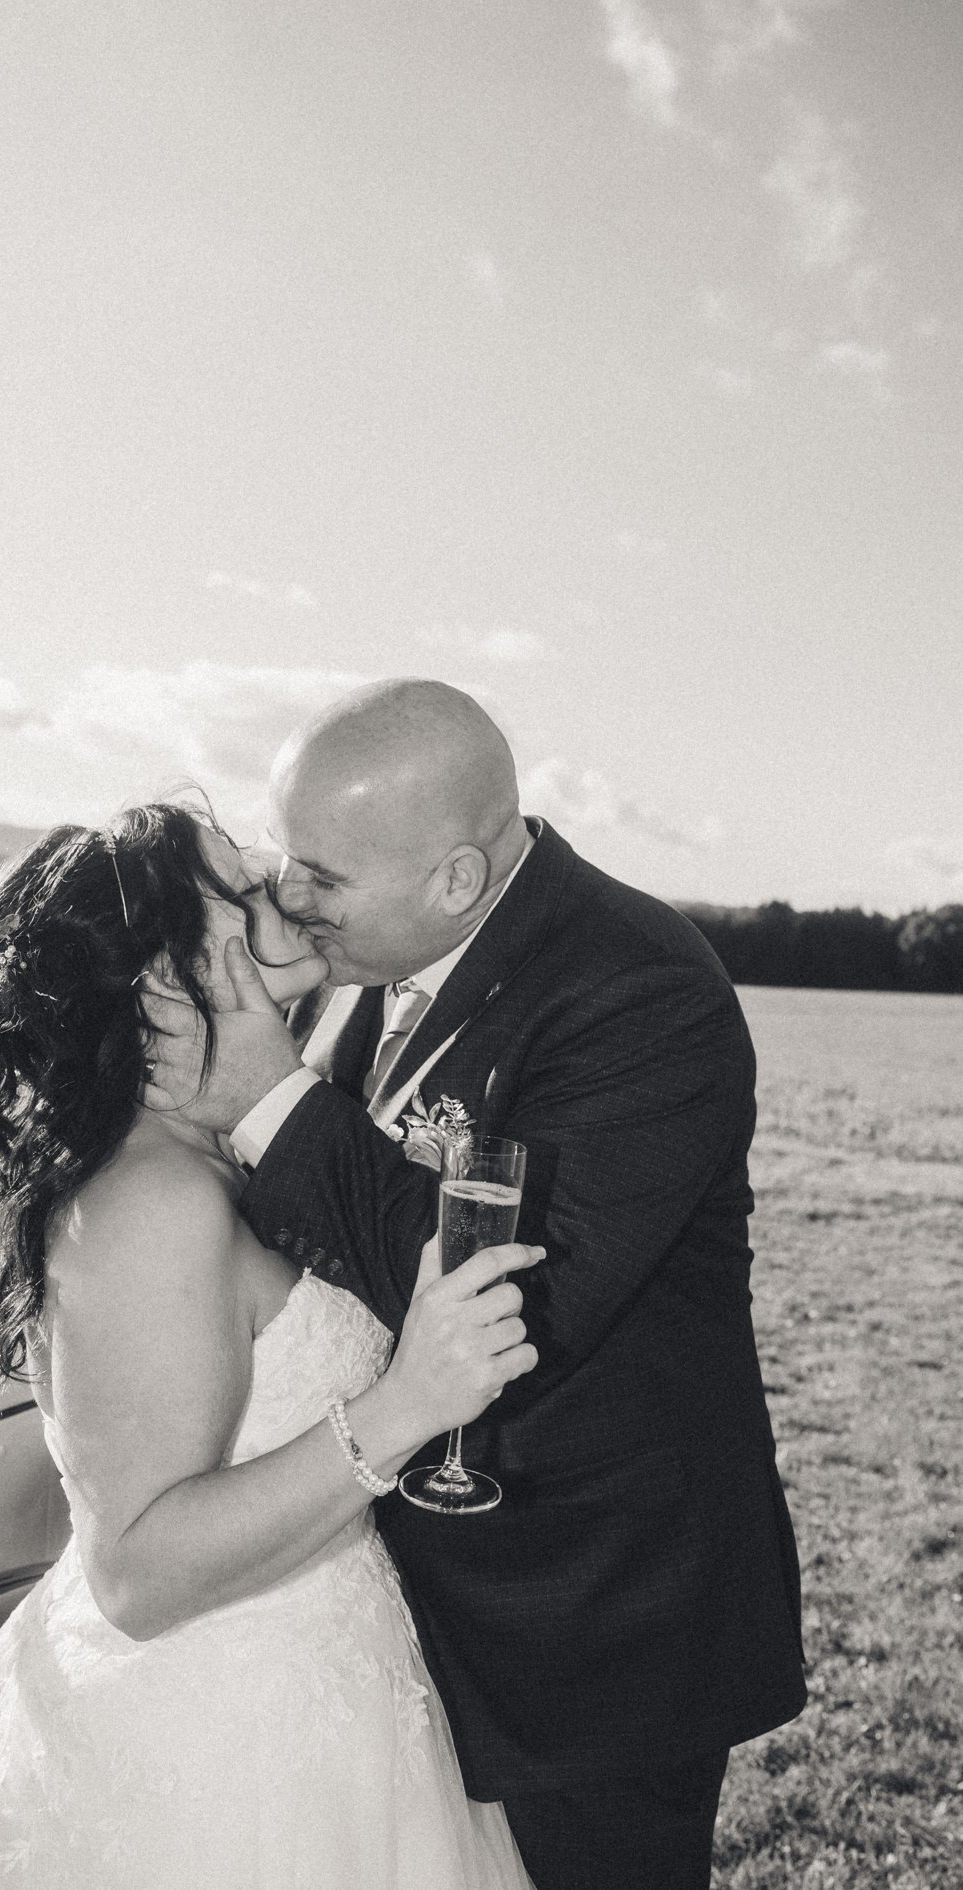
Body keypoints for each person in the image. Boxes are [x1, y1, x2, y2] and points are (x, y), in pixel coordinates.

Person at [144, 678, 808, 1890]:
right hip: (398, 1605)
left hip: (593, 1624)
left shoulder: (640, 989)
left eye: (320, 876)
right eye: (287, 854)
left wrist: (271, 1101)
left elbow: (511, 1304)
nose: (287, 898)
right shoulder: (377, 946)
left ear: (453, 879)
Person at [0, 802, 539, 1890]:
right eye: (240, 886)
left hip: (331, 1686)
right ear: (159, 979)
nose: (284, 885)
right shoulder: (151, 1199)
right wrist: (409, 1404)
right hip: (210, 1754)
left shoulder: (219, 1155)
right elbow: (137, 1572)